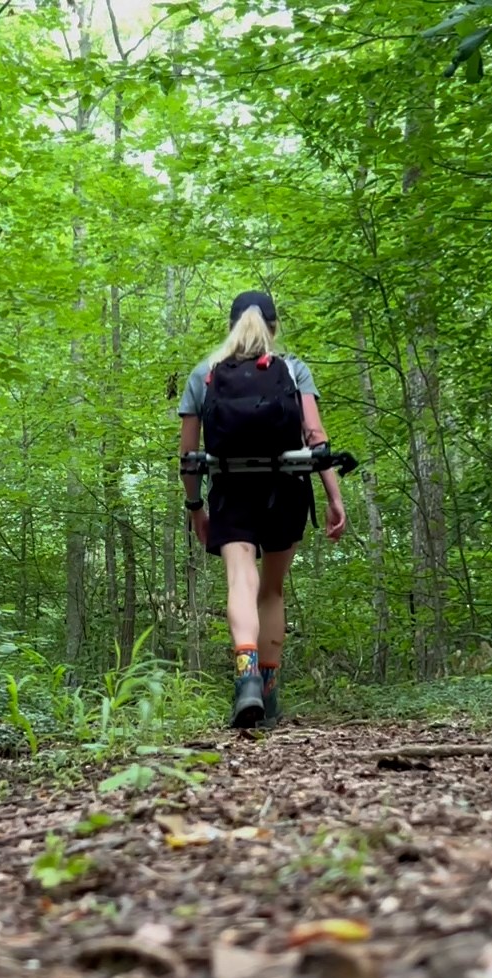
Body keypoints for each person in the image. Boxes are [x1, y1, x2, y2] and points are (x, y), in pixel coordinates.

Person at [177, 290, 347, 729]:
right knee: (271, 589)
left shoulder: (206, 372)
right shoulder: (292, 368)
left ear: (231, 325)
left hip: (231, 490)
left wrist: (196, 506)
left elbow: (188, 454)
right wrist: (333, 498)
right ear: (273, 326)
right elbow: (314, 435)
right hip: (285, 488)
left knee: (240, 578)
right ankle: (268, 696)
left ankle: (245, 679)